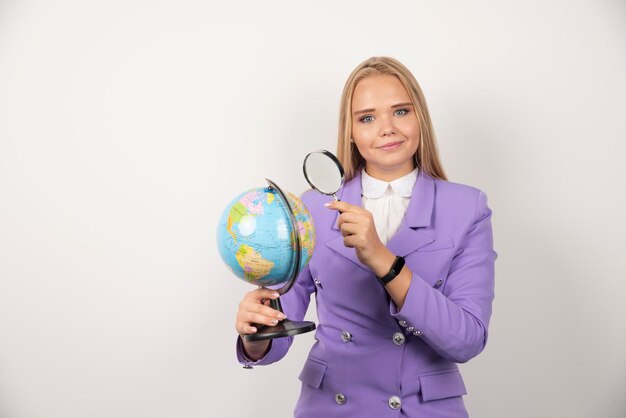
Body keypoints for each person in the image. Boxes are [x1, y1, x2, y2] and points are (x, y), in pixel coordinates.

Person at [234, 56, 497, 417]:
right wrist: (255, 334)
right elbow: (278, 335)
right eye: (367, 118)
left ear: (420, 117)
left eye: (401, 111)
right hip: (331, 407)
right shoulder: (308, 209)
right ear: (351, 132)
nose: (386, 128)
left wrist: (384, 260)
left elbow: (466, 340)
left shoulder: (468, 207)